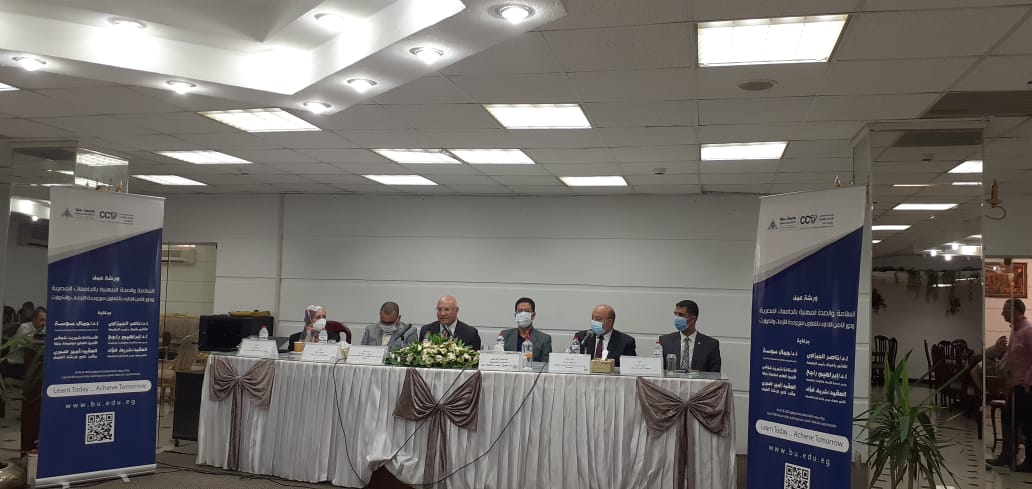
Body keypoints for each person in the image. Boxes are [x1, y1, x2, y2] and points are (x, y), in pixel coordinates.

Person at [988, 299, 1032, 471]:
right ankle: (1007, 455)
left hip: (1026, 387)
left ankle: (1029, 462)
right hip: (1015, 385)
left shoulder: (1028, 331)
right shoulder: (1015, 331)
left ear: (1016, 311)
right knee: (1008, 418)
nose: (1002, 314)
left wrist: (1028, 381)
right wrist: (1000, 364)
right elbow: (1012, 356)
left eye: (1005, 310)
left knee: (1028, 424)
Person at [659, 300, 721, 372]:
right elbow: (659, 371)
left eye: (681, 315)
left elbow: (715, 375)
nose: (676, 318)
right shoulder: (665, 341)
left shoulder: (711, 345)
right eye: (675, 314)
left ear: (692, 319)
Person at [499, 297, 552, 362]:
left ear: (533, 315)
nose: (523, 314)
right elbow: (499, 359)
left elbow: (546, 365)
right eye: (520, 311)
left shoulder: (544, 339)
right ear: (515, 315)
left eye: (527, 311)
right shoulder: (505, 335)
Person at [5, 308, 46, 377]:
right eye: (41, 320)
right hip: (17, 364)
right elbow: (31, 345)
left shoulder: (43, 328)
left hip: (31, 363)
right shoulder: (24, 327)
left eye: (45, 320)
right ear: (33, 320)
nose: (44, 323)